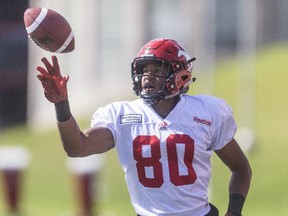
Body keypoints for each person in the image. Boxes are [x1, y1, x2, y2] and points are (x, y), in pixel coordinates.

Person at [36, 38, 252, 216]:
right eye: (144, 69)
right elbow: (77, 147)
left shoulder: (207, 112)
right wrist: (61, 102)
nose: (147, 76)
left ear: (180, 75)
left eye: (157, 69)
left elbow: (241, 168)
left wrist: (234, 211)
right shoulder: (122, 115)